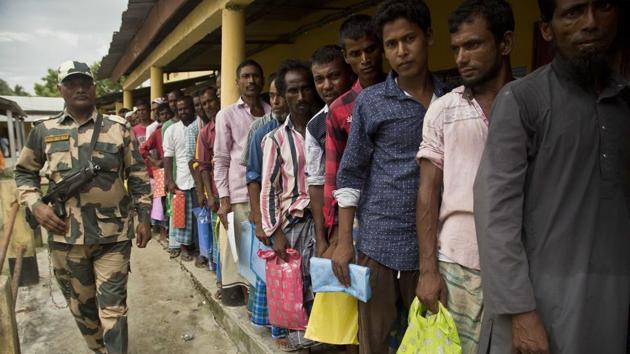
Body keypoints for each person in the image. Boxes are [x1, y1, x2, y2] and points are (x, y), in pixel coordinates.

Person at [473, 0, 630, 353]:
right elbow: (495, 216)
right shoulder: (522, 100)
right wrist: (520, 311)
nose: (590, 23)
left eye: (602, 7)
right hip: (538, 307)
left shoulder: (624, 103)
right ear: (547, 29)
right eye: (573, 12)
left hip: (611, 301)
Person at [332, 1, 449, 352]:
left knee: (427, 341)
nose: (402, 51)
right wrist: (343, 241)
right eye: (391, 44)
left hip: (434, 249)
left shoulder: (451, 99)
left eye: (409, 39)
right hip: (378, 245)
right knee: (376, 342)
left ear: (428, 37)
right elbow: (350, 172)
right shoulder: (371, 102)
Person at [14, 60, 152, 354]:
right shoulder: (43, 131)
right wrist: (36, 205)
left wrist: (144, 218)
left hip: (112, 236)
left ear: (94, 87)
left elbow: (138, 176)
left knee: (114, 309)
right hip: (66, 238)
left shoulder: (118, 129)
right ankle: (98, 349)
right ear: (60, 89)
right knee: (82, 311)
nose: (79, 88)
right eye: (71, 83)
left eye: (85, 82)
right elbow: (23, 172)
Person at [415, 1, 515, 352]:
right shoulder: (444, 109)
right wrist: (428, 270)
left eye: (473, 45)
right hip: (457, 265)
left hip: (519, 268)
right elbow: (428, 192)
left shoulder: (531, 104)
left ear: (504, 44)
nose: (461, 57)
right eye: (456, 48)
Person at [260, 59, 322, 351]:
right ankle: (302, 346)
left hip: (326, 224)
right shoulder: (274, 139)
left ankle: (325, 343)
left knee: (322, 290)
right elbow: (269, 190)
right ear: (284, 96)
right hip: (294, 226)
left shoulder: (325, 127)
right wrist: (275, 233)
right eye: (293, 91)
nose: (301, 97)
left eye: (306, 89)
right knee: (296, 291)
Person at [323, 14, 386, 252]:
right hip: (356, 215)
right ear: (346, 56)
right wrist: (336, 232)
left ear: (380, 48)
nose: (365, 59)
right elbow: (333, 174)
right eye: (356, 53)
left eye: (370, 50)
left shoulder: (404, 94)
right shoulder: (340, 109)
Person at [214, 59, 270, 305]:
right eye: (245, 77)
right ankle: (250, 305)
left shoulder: (272, 111)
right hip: (238, 196)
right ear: (237, 83)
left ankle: (264, 306)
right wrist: (224, 200)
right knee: (244, 256)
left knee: (264, 254)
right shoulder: (226, 115)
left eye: (255, 76)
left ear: (262, 80)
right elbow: (222, 158)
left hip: (269, 194)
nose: (251, 81)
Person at [242, 73, 291, 348]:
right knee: (274, 272)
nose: (278, 101)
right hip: (271, 213)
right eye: (272, 95)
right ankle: (279, 328)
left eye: (281, 94)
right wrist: (260, 220)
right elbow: (253, 178)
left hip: (296, 213)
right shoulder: (262, 131)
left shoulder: (305, 125)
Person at [305, 45, 354, 258]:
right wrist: (322, 237)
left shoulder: (367, 106)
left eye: (334, 76)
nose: (326, 86)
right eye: (319, 79)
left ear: (349, 72)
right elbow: (316, 183)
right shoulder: (315, 126)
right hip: (338, 223)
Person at [163, 96, 198, 262]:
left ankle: (198, 248)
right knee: (180, 217)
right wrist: (169, 180)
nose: (183, 112)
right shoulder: (171, 130)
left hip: (199, 180)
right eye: (180, 109)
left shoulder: (200, 125)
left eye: (186, 108)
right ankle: (183, 247)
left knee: (198, 218)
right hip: (181, 179)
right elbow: (168, 157)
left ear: (192, 108)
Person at [140, 101, 173, 246]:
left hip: (173, 171)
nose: (165, 116)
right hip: (160, 172)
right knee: (161, 204)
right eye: (162, 114)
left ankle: (174, 235)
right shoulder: (157, 132)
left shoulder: (174, 128)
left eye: (167, 113)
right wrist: (155, 161)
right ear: (158, 117)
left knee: (174, 203)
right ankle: (162, 233)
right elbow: (143, 149)